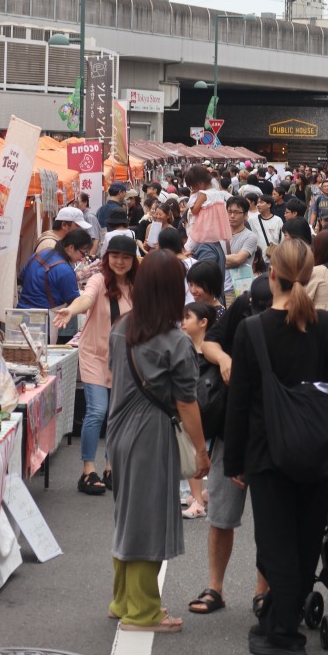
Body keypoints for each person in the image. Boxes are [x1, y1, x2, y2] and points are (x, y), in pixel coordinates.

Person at [223, 238, 328, 655]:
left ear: (271, 274)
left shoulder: (253, 328)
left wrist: (235, 459)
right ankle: (282, 619)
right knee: (305, 537)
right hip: (317, 446)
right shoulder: (321, 323)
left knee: (274, 540)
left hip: (267, 450)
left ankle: (282, 631)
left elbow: (239, 400)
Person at [106, 250, 209, 632]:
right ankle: (142, 611)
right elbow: (187, 402)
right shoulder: (174, 340)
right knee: (146, 521)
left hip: (118, 430)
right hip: (149, 433)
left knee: (127, 515)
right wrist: (201, 450)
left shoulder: (123, 326)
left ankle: (122, 600)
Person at [189, 275, 273, 617]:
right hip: (231, 429)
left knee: (271, 520)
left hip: (274, 434)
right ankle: (216, 587)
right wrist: (224, 360)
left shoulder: (300, 311)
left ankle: (263, 591)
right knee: (221, 516)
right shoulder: (245, 302)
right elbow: (209, 342)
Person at [53, 236, 138, 495]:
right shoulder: (99, 280)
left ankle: (112, 467)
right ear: (107, 257)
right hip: (94, 354)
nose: (119, 261)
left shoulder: (138, 285)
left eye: (125, 257)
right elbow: (87, 299)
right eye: (115, 256)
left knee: (117, 414)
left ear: (133, 260)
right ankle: (88, 471)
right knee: (98, 410)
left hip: (124, 358)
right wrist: (72, 310)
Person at [180, 301, 218, 519]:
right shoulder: (186, 345)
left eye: (188, 317)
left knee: (198, 453)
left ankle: (198, 502)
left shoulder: (211, 348)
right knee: (196, 453)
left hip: (205, 408)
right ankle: (199, 497)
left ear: (203, 323)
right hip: (195, 408)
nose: (183, 322)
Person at [17, 228, 92, 311]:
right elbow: (76, 305)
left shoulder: (40, 253)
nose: (82, 257)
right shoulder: (65, 271)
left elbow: (21, 279)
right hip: (45, 318)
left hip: (21, 311)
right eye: (83, 253)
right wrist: (91, 291)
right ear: (71, 247)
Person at [223, 197, 258, 308]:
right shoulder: (220, 234)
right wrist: (230, 258)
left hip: (238, 289)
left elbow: (238, 259)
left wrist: (218, 259)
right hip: (219, 288)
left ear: (246, 215)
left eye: (237, 212)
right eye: (230, 212)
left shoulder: (250, 236)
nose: (232, 216)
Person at [248, 195, 283, 263]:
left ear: (269, 205)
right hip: (257, 260)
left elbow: (282, 240)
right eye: (257, 202)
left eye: (261, 202)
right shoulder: (252, 220)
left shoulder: (278, 220)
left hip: (273, 259)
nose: (258, 205)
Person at [77, 192, 101, 258]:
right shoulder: (81, 215)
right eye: (74, 203)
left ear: (85, 202)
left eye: (78, 202)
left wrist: (90, 258)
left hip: (90, 256)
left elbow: (95, 240)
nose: (75, 205)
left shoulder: (90, 217)